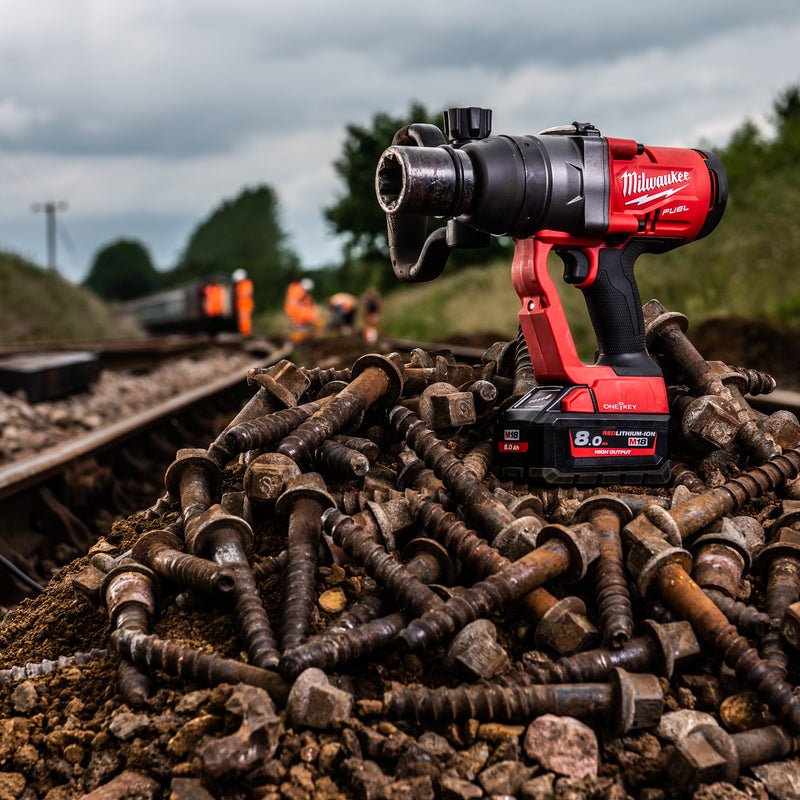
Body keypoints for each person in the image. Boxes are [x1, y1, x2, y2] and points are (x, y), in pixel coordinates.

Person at [232, 269, 254, 338]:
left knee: (245, 320)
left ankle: (246, 334)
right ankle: (243, 333)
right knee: (242, 320)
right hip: (241, 305)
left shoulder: (246, 284)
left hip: (245, 305)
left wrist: (237, 295)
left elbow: (245, 294)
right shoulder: (240, 285)